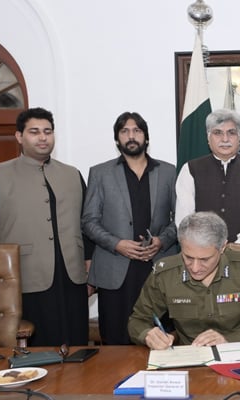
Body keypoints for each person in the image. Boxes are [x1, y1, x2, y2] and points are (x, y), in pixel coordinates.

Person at [0, 107, 90, 346]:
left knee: (76, 346)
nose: (43, 137)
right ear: (19, 136)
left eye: (48, 131)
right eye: (34, 132)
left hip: (71, 276)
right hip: (23, 277)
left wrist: (90, 263)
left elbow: (87, 223)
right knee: (38, 352)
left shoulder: (72, 174)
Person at [82, 112, 178, 345]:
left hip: (158, 267)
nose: (131, 136)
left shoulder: (168, 172)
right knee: (117, 338)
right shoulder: (100, 173)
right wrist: (117, 244)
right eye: (124, 131)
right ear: (117, 140)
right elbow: (88, 221)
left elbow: (181, 219)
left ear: (146, 137)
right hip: (116, 270)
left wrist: (162, 241)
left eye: (137, 130)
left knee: (161, 338)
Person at [128, 212, 240, 349]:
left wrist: (230, 339)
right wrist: (148, 335)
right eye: (188, 257)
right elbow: (138, 320)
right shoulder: (165, 274)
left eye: (205, 259)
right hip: (191, 358)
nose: (195, 268)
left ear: (222, 248)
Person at [175, 109, 240, 245]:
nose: (225, 139)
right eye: (218, 133)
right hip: (203, 252)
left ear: (239, 136)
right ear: (208, 137)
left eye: (231, 133)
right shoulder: (190, 170)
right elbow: (184, 219)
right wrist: (207, 244)